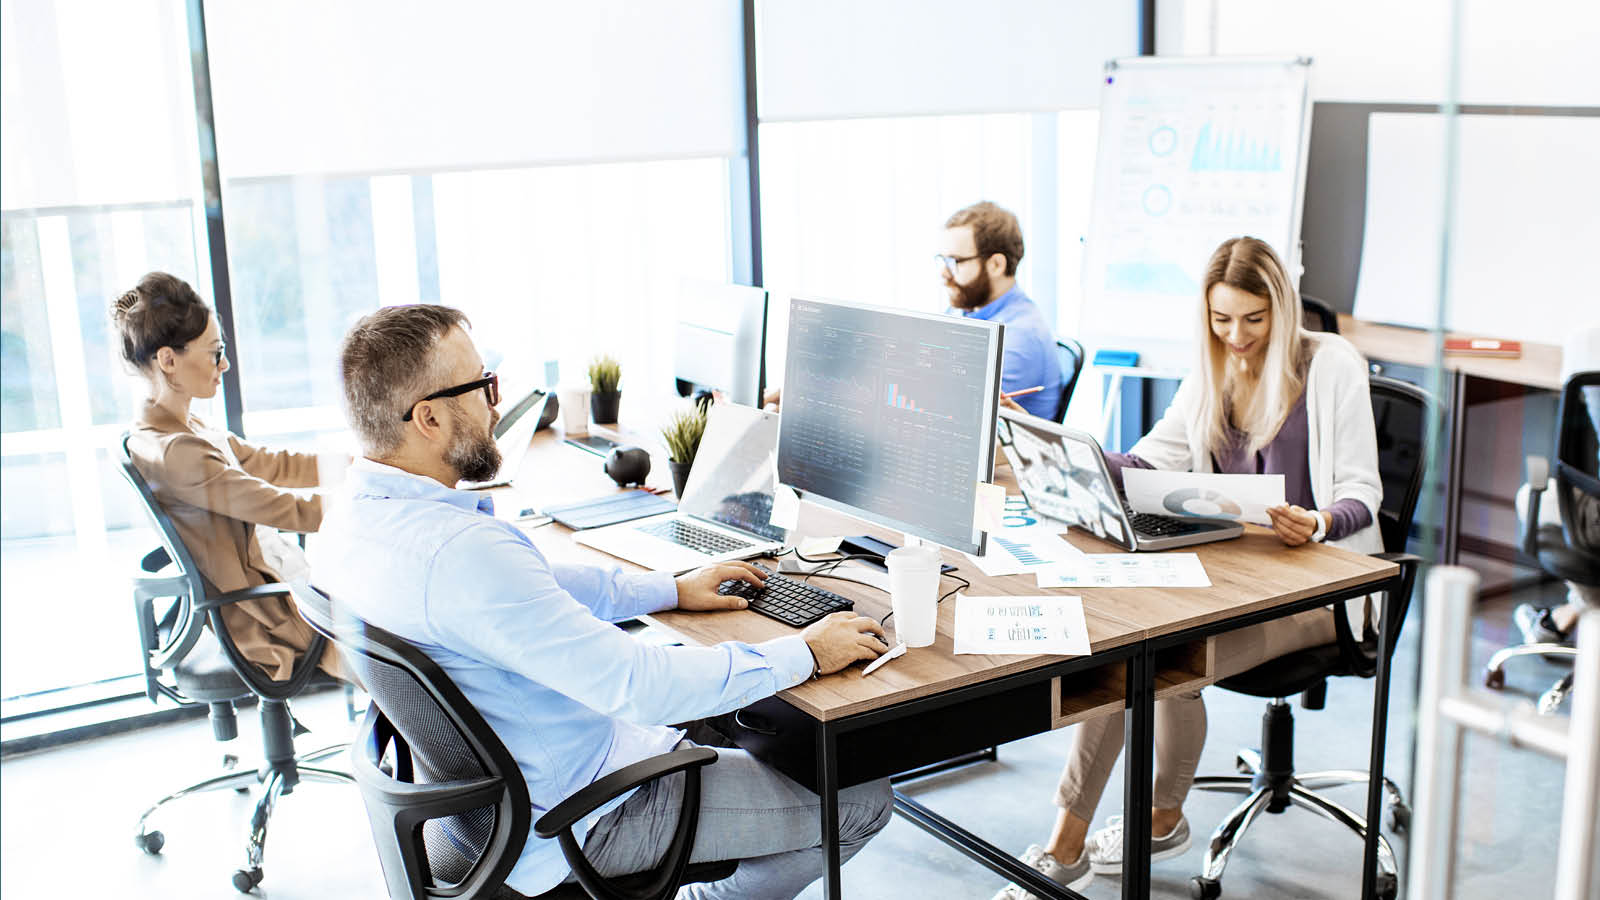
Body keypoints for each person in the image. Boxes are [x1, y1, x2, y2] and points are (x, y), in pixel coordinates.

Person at [308, 304, 893, 900]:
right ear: (427, 418)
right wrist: (807, 653)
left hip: (500, 805)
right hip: (584, 816)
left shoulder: (350, 524)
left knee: (734, 708)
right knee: (859, 798)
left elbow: (532, 586)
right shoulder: (461, 553)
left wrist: (670, 589)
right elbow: (638, 685)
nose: (496, 402)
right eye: (483, 384)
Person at [991, 236, 1384, 899]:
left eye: (1253, 320)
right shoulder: (1215, 367)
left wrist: (1316, 522)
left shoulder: (1331, 364)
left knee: (1171, 656)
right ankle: (1066, 845)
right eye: (1221, 318)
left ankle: (1164, 814)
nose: (1236, 335)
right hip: (1231, 575)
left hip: (1319, 588)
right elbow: (1148, 462)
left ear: (1282, 311)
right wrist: (1055, 445)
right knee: (1120, 652)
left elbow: (1363, 494)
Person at [116, 272, 346, 681]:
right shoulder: (177, 451)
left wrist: (358, 463)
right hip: (262, 612)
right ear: (168, 360)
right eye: (214, 352)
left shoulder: (179, 428)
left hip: (274, 580)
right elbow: (283, 509)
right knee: (405, 657)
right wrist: (379, 500)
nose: (224, 364)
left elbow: (271, 463)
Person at [938, 201, 1063, 420]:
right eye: (943, 260)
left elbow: (953, 415)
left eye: (955, 261)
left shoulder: (1020, 335)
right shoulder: (965, 310)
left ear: (996, 264)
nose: (944, 273)